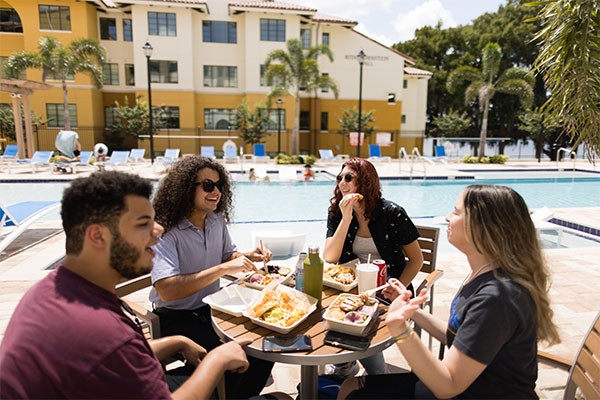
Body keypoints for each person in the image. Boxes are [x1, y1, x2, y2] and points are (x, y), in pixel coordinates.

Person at [0, 171, 252, 399]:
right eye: (143, 223)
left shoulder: (53, 289)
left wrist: (177, 342)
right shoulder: (102, 332)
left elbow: (109, 358)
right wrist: (216, 361)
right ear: (98, 235)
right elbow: (112, 349)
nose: (157, 230)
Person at [339, 184, 561, 399]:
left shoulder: (497, 297)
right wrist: (411, 311)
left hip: (467, 392)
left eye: (456, 212)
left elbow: (448, 386)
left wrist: (401, 330)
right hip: (463, 388)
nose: (447, 218)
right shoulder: (483, 274)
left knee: (354, 392)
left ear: (482, 226)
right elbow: (456, 336)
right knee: (350, 386)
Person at [150, 155, 274, 399]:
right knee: (236, 360)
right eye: (208, 185)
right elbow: (166, 290)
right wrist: (222, 269)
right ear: (186, 189)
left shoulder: (216, 220)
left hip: (213, 311)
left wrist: (247, 256)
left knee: (263, 347)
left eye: (220, 185)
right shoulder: (166, 231)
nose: (216, 191)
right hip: (176, 318)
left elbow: (228, 255)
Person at [323, 158, 423, 377]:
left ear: (366, 182)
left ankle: (378, 375)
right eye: (340, 178)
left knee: (360, 321)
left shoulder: (391, 213)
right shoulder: (338, 212)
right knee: (331, 314)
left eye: (349, 178)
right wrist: (346, 219)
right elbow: (330, 257)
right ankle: (345, 365)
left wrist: (398, 289)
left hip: (390, 286)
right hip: (351, 285)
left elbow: (417, 260)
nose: (342, 183)